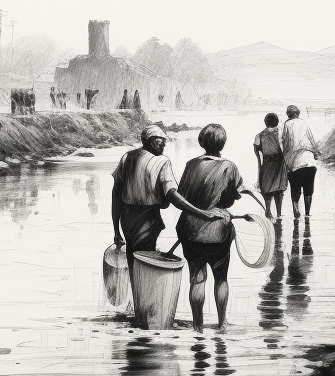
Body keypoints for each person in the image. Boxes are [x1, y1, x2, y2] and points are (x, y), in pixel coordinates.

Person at [112, 125, 216, 271]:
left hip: (127, 219)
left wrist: (116, 231)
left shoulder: (127, 157)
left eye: (164, 140)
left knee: (133, 255)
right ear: (147, 140)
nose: (164, 143)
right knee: (145, 260)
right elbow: (172, 195)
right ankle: (143, 290)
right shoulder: (162, 161)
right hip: (147, 218)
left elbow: (116, 195)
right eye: (159, 140)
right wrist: (200, 212)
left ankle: (136, 288)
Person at [176, 124, 250, 331]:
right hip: (218, 231)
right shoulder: (229, 167)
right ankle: (221, 322)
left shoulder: (191, 165)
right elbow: (232, 198)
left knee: (196, 278)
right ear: (223, 143)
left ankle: (198, 325)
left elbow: (182, 195)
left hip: (190, 229)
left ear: (202, 142)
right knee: (221, 278)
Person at [280, 105, 321, 220]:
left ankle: (296, 211)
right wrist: (316, 153)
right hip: (308, 161)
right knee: (309, 190)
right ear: (297, 113)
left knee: (295, 188)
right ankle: (307, 213)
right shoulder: (304, 123)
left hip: (294, 163)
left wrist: (284, 158)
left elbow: (286, 143)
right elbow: (312, 139)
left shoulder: (287, 125)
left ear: (288, 114)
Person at [252, 113, 286, 216]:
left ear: (265, 122)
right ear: (276, 122)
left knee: (266, 190)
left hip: (266, 164)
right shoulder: (280, 133)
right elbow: (283, 150)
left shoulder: (259, 135)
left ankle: (268, 210)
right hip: (279, 164)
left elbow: (257, 155)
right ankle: (279, 213)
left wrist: (259, 169)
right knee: (279, 190)